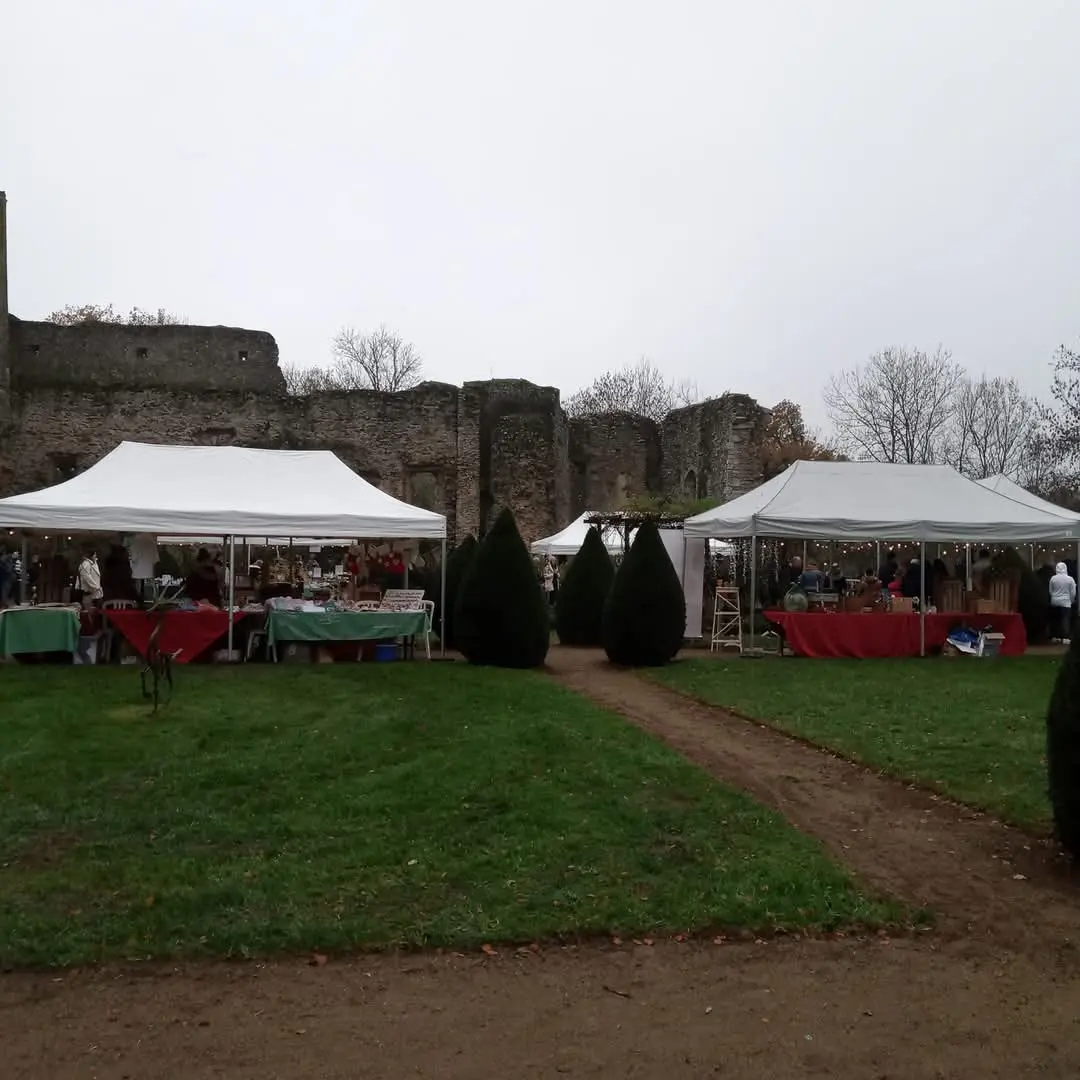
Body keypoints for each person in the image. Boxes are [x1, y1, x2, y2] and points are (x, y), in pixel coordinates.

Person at [1049, 561, 1077, 645]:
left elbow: (1050, 591)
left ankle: (1055, 637)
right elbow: (1073, 592)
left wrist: (1054, 597)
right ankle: (1065, 637)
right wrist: (1071, 600)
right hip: (1066, 602)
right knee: (1065, 620)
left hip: (1054, 601)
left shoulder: (1053, 578)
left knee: (1055, 620)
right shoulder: (1070, 579)